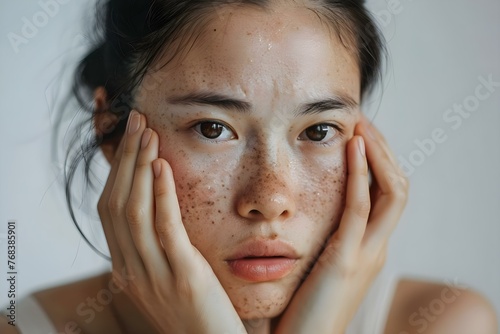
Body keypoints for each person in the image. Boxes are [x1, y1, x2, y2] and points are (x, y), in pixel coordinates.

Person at [1, 0, 497, 333]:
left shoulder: (444, 324)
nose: (271, 199)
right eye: (212, 129)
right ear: (111, 130)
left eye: (318, 131)